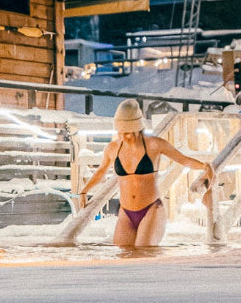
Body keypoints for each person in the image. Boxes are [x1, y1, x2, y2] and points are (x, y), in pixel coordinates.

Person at [79, 99, 215, 248]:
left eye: (129, 133)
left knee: (143, 251)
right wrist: (84, 191)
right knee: (122, 254)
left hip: (151, 209)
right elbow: (100, 172)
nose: (125, 137)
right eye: (122, 133)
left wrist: (204, 166)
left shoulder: (154, 144)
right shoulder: (112, 148)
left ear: (138, 128)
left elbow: (182, 159)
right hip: (126, 212)